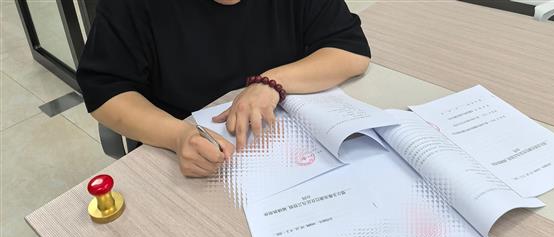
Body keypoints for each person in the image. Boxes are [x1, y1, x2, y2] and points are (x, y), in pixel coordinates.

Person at [77, 0, 371, 177]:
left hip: (284, 153)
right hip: (187, 154)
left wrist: (271, 82)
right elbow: (105, 90)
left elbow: (349, 51)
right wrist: (177, 136)